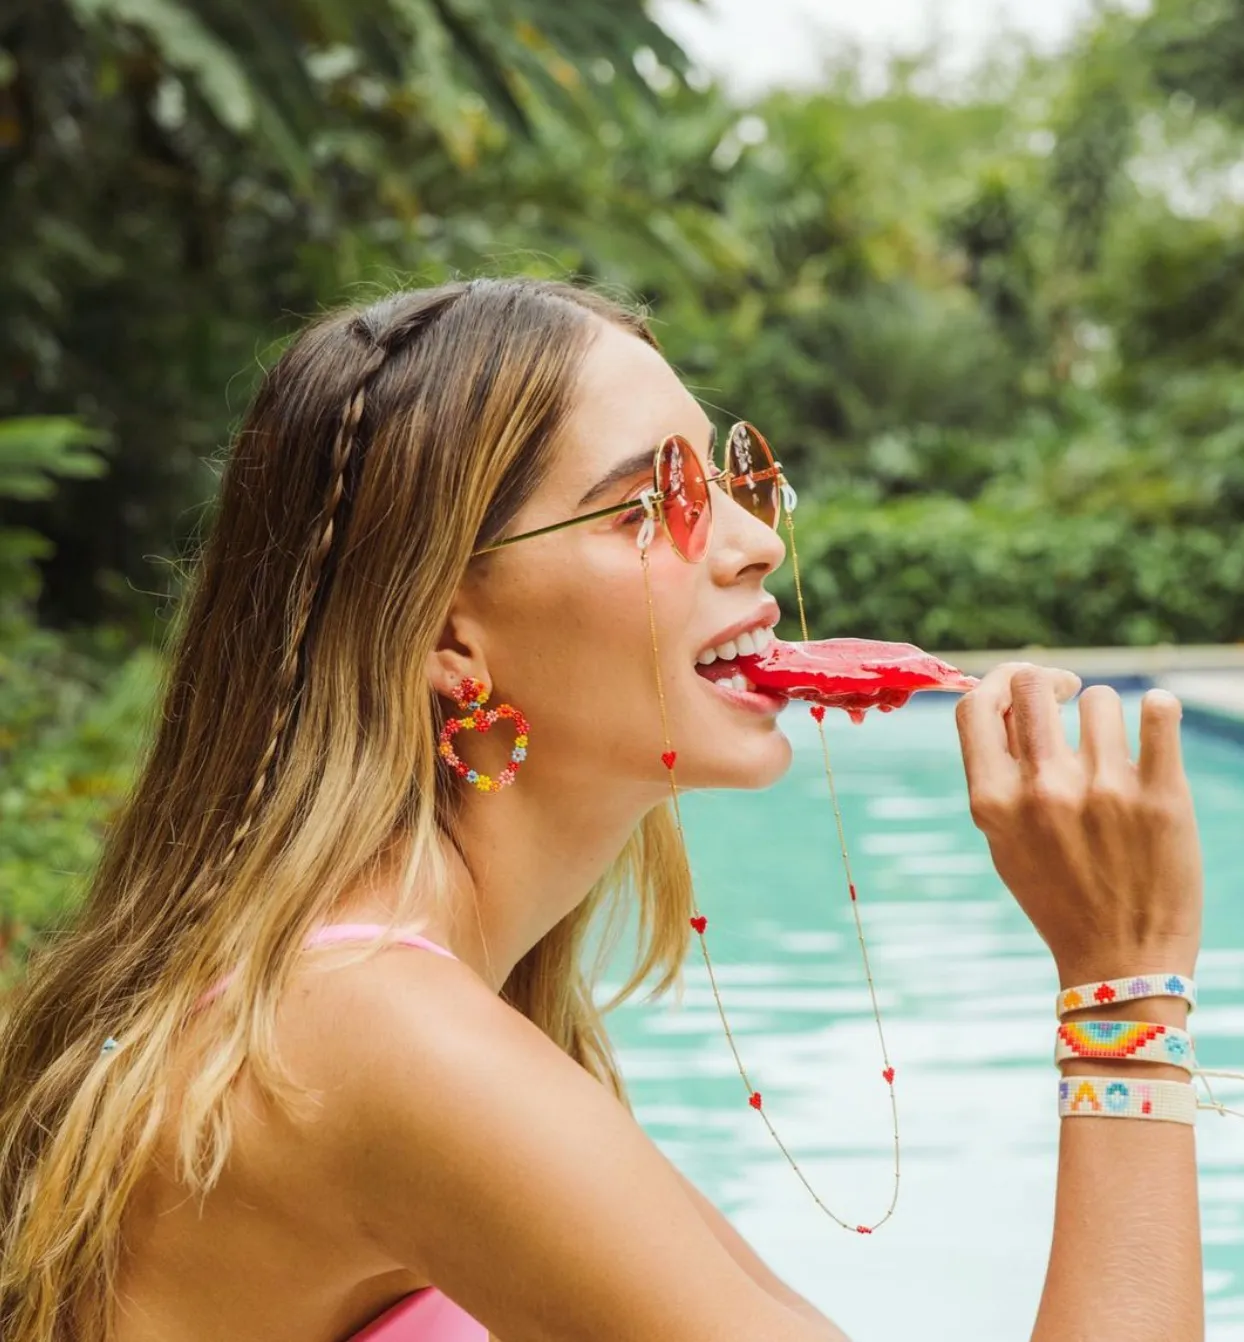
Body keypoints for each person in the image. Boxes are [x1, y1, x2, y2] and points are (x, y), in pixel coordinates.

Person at [0, 278, 1204, 1342]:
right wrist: (1123, 982)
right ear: (444, 633)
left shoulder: (374, 998)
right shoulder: (382, 1040)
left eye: (732, 478)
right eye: (650, 503)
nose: (750, 546)